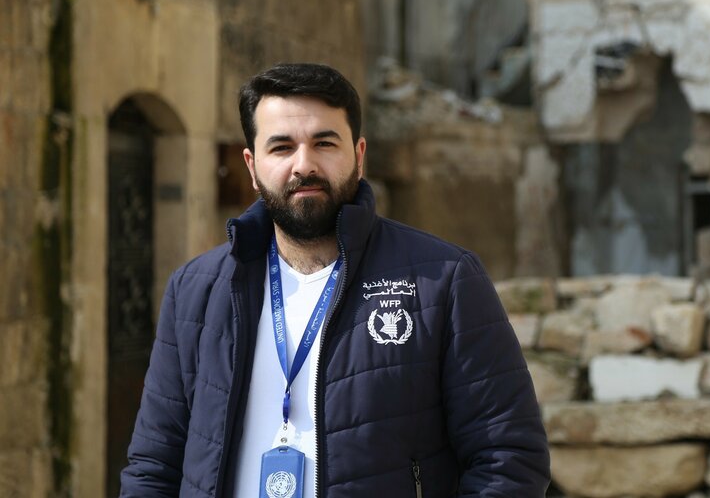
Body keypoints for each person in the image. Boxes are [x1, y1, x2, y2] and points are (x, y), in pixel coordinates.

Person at [120, 63, 550, 497]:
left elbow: (508, 457)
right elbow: (154, 465)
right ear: (251, 165)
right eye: (282, 147)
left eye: (324, 143)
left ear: (359, 156)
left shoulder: (442, 280)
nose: (303, 164)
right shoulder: (195, 291)